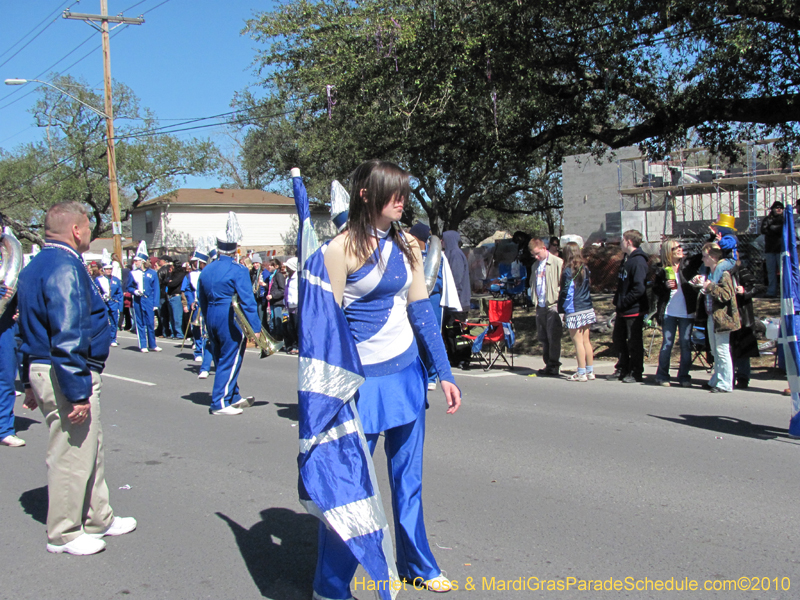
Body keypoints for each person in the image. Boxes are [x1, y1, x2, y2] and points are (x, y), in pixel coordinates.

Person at [312, 159, 461, 599]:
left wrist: (444, 371)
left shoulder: (409, 245)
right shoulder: (337, 250)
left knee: (408, 481)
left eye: (404, 193)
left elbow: (422, 312)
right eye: (394, 193)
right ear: (366, 195)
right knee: (351, 489)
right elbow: (323, 328)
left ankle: (416, 563)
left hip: (408, 377)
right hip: (360, 387)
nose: (402, 201)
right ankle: (331, 585)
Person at [17, 201, 136, 555]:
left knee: (89, 448)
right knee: (71, 452)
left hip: (49, 367)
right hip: (66, 370)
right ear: (76, 230)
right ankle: (64, 533)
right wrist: (77, 390)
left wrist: (28, 380)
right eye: (87, 226)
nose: (89, 233)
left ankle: (99, 516)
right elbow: (66, 333)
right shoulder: (63, 266)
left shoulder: (37, 264)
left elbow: (27, 329)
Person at [197, 212, 261, 415]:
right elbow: (248, 301)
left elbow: (202, 299)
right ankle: (219, 402)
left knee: (220, 356)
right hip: (229, 316)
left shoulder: (206, 270)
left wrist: (207, 322)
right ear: (235, 248)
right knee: (231, 357)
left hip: (211, 315)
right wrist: (256, 328)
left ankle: (233, 395)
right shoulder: (238, 270)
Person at [652, 240, 699, 387]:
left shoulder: (687, 265)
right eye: (676, 248)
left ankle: (684, 376)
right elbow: (655, 291)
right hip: (669, 311)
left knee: (685, 344)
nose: (680, 249)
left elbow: (699, 257)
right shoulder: (661, 269)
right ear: (668, 252)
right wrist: (664, 286)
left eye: (680, 247)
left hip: (686, 311)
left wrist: (712, 238)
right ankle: (662, 375)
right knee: (667, 343)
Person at [697, 243, 740, 392]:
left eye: (705, 256)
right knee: (715, 351)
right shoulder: (711, 273)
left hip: (722, 317)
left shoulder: (724, 273)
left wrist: (710, 287)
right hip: (711, 316)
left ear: (714, 257)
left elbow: (727, 295)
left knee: (722, 350)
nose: (703, 259)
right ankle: (716, 378)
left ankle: (725, 383)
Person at [608, 229, 649, 383]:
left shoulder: (638, 261)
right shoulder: (626, 259)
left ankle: (636, 371)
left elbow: (639, 288)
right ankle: (622, 367)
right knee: (619, 339)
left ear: (629, 241)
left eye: (622, 240)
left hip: (633, 309)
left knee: (634, 342)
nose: (620, 243)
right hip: (622, 310)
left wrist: (625, 302)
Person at [557, 242, 595, 381]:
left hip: (574, 308)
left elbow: (566, 291)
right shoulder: (585, 267)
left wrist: (561, 308)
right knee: (586, 341)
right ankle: (590, 371)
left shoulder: (568, 270)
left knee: (578, 342)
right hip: (587, 306)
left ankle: (581, 372)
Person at [528, 237, 564, 376]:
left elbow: (563, 282)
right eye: (534, 255)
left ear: (544, 248)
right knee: (543, 336)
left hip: (553, 304)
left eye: (538, 253)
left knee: (553, 336)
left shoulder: (557, 262)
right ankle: (548, 363)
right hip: (540, 304)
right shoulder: (535, 266)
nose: (536, 257)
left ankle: (554, 364)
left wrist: (559, 296)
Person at [442, 230, 471, 369]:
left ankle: (463, 358)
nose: (442, 242)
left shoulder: (455, 255)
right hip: (451, 302)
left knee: (459, 333)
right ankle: (453, 357)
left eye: (443, 240)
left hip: (458, 302)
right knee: (450, 331)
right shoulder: (448, 254)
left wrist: (456, 300)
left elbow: (456, 280)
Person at [127, 242, 161, 353]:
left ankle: (152, 344)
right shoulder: (133, 273)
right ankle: (143, 344)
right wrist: (134, 291)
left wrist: (156, 303)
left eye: (137, 261)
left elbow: (156, 289)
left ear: (142, 261)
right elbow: (129, 287)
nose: (135, 262)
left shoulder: (152, 273)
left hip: (149, 300)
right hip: (138, 300)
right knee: (140, 322)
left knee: (150, 323)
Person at [96, 259, 123, 348]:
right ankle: (103, 338)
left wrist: (120, 305)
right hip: (103, 303)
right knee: (103, 322)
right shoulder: (99, 279)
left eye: (110, 269)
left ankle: (113, 338)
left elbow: (119, 293)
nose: (108, 271)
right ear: (103, 270)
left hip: (113, 303)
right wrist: (102, 296)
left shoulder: (116, 280)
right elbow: (95, 291)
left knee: (114, 321)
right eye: (106, 269)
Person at [761, 201, 784, 297]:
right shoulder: (767, 219)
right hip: (770, 249)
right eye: (776, 207)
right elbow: (763, 230)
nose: (779, 209)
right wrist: (774, 229)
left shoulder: (784, 219)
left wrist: (771, 228)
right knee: (771, 272)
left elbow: (782, 230)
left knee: (783, 272)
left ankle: (784, 292)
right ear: (772, 209)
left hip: (781, 249)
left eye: (781, 208)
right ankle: (771, 291)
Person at [165, 261, 186, 339]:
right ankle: (173, 333)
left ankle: (179, 334)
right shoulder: (171, 275)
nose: (171, 268)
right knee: (172, 317)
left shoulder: (181, 274)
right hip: (170, 296)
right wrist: (169, 281)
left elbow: (173, 284)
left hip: (176, 296)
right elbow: (166, 281)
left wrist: (170, 282)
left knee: (177, 317)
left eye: (172, 266)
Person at [265, 258, 285, 340]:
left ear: (276, 266)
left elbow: (282, 290)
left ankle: (279, 338)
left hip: (277, 302)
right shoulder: (272, 276)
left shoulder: (279, 275)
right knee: (272, 321)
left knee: (277, 321)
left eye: (271, 265)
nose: (269, 267)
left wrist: (273, 295)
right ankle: (274, 337)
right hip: (273, 302)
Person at [283, 256, 299, 355]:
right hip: (289, 306)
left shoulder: (298, 278)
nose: (286, 269)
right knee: (290, 327)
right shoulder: (288, 278)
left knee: (297, 327)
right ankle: (292, 344)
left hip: (297, 306)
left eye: (288, 267)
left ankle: (298, 345)